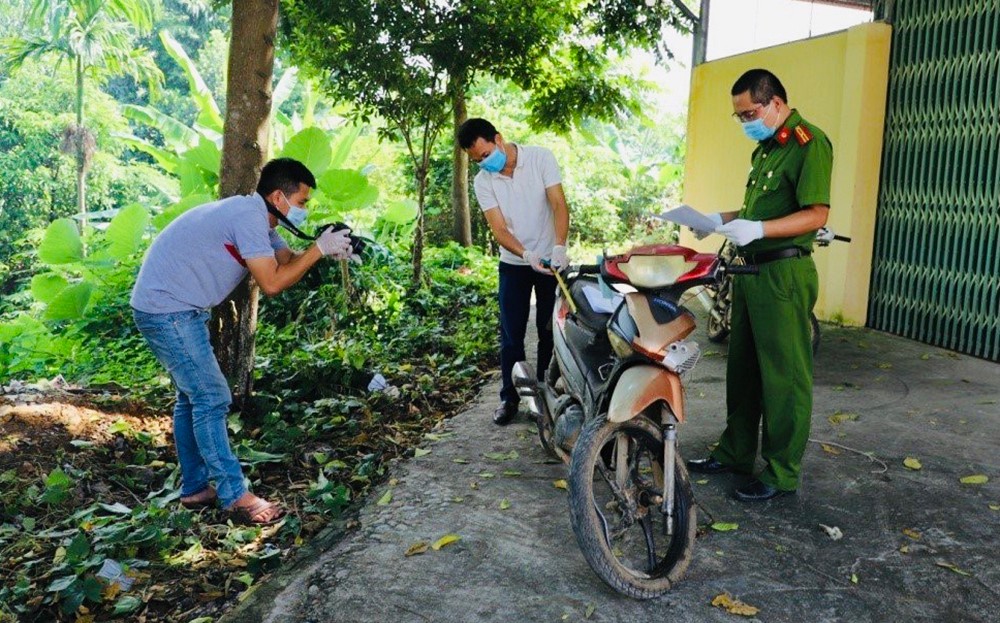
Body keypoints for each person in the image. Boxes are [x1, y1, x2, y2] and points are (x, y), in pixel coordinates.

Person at [131, 158, 356, 524]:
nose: (304, 210)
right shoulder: (250, 219)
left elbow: (287, 262)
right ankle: (234, 495)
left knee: (192, 398)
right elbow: (272, 284)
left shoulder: (260, 219)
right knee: (212, 397)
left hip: (174, 308)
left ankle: (195, 488)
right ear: (279, 198)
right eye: (302, 203)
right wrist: (318, 249)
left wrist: (326, 250)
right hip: (167, 311)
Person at [687, 69, 832, 502]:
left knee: (784, 377)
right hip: (751, 273)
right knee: (743, 369)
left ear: (775, 103)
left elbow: (816, 214)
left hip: (783, 274)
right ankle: (735, 452)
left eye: (749, 112)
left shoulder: (809, 142)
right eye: (739, 116)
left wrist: (761, 229)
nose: (745, 121)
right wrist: (720, 220)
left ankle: (781, 471)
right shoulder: (767, 149)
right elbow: (757, 211)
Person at [457, 118, 571, 426]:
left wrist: (558, 247)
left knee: (550, 331)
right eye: (477, 160)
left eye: (485, 154)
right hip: (515, 263)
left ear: (498, 138)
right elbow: (498, 228)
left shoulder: (540, 158)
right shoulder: (484, 181)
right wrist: (525, 253)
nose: (484, 163)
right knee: (511, 335)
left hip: (551, 263)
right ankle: (510, 398)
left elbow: (559, 205)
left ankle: (545, 394)